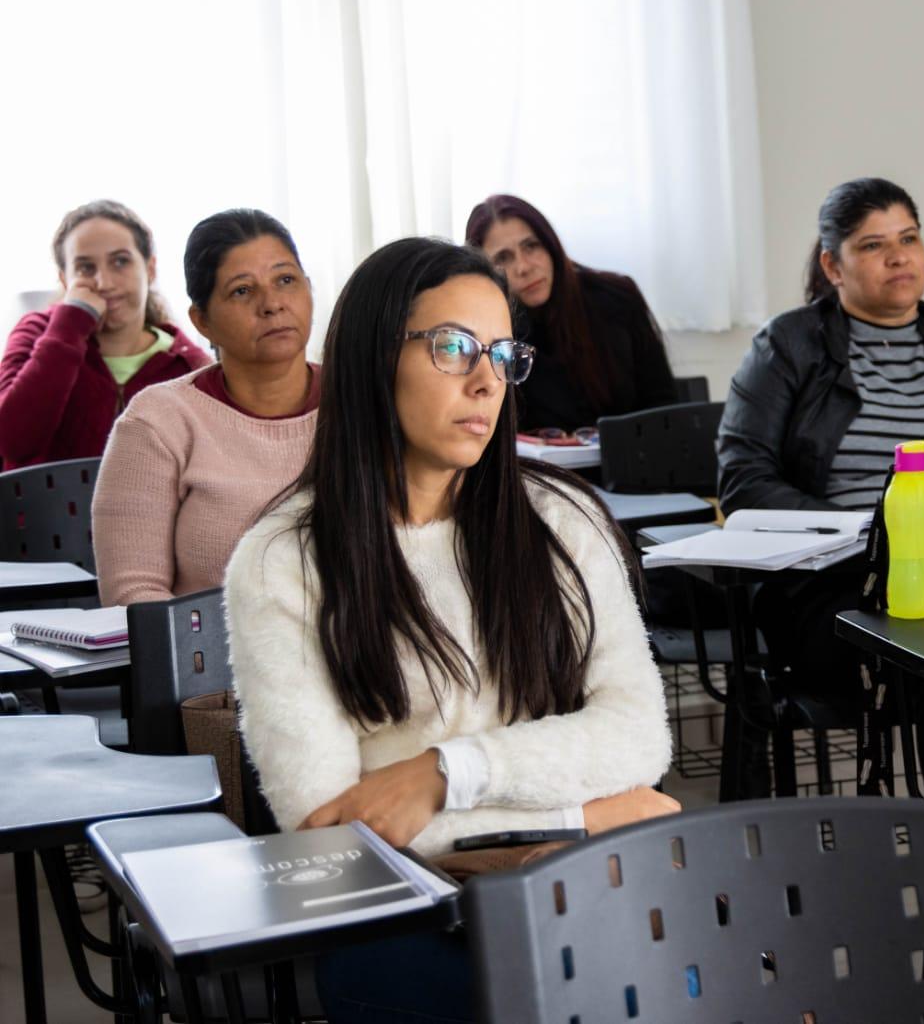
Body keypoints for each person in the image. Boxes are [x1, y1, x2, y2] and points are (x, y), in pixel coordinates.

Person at [225, 237, 676, 1023]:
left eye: (501, 354)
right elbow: (335, 831)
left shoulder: (561, 520)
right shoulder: (280, 561)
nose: (486, 380)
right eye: (454, 348)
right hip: (405, 911)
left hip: (574, 879)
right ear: (374, 359)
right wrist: (592, 811)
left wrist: (445, 772)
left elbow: (638, 737)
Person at [717, 177, 924, 795]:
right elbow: (744, 480)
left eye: (908, 238)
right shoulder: (788, 343)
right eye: (873, 245)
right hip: (837, 582)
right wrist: (870, 535)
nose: (898, 257)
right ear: (832, 266)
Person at [91, 210, 320, 606]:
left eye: (286, 280)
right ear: (202, 322)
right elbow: (133, 594)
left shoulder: (364, 400)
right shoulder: (157, 421)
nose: (272, 304)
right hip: (209, 646)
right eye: (242, 291)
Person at [0, 200, 209, 470]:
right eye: (85, 268)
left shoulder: (188, 365)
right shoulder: (35, 332)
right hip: (44, 500)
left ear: (150, 269)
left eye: (120, 262)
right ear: (65, 280)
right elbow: (12, 441)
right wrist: (71, 323)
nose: (104, 283)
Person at [465, 194, 676, 432]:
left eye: (531, 246)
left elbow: (663, 407)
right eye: (503, 258)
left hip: (629, 452)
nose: (523, 267)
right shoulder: (489, 332)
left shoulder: (617, 297)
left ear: (551, 245)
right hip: (535, 457)